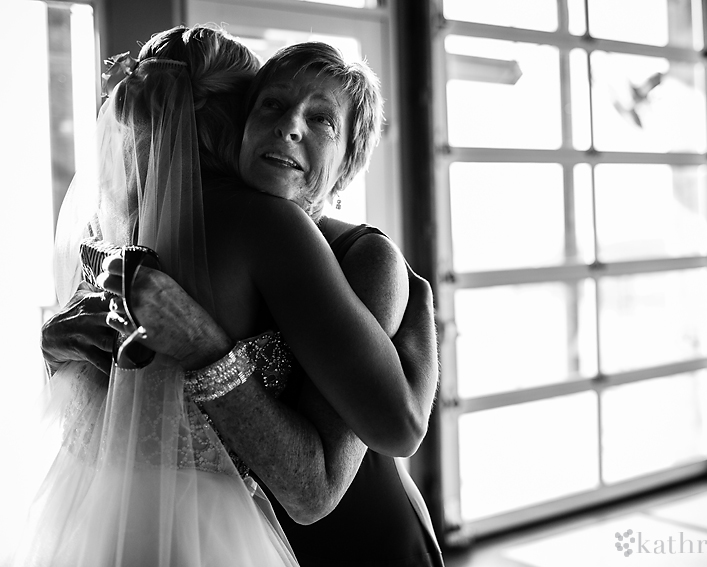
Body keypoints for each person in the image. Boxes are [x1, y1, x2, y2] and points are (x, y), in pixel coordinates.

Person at [40, 27, 442, 566]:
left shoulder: (363, 256)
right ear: (240, 122)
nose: (289, 126)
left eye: (323, 118)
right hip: (225, 532)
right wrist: (57, 344)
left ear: (348, 162)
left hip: (355, 533)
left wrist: (418, 300)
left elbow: (397, 428)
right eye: (272, 103)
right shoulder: (136, 234)